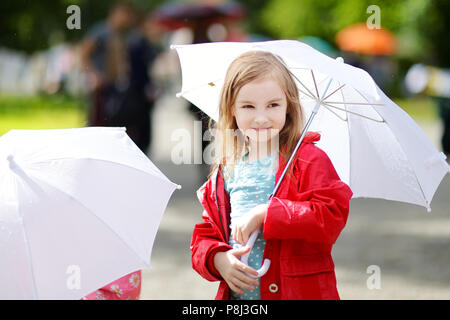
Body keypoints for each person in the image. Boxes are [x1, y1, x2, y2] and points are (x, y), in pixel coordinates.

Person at [190, 51, 353, 300]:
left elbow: (330, 216)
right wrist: (218, 259)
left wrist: (268, 213)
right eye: (248, 106)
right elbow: (205, 234)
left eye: (273, 105)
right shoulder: (228, 167)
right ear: (231, 109)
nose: (261, 117)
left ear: (289, 105)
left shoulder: (307, 160)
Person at [80, 2, 135, 127]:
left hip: (113, 85)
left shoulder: (119, 34)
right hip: (100, 85)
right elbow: (84, 53)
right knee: (98, 122)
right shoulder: (101, 31)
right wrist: (93, 75)